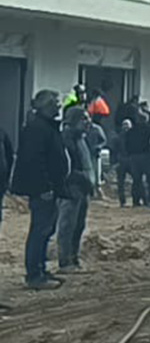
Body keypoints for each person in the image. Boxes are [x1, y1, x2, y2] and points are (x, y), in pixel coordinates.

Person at [12, 90, 69, 290]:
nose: (59, 106)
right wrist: (44, 187)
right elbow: (34, 161)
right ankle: (35, 274)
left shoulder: (45, 127)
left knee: (46, 230)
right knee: (40, 230)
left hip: (50, 188)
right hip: (43, 190)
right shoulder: (38, 129)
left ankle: (40, 269)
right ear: (45, 106)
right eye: (56, 103)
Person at [57, 107, 95, 273]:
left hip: (83, 188)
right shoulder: (66, 138)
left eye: (88, 119)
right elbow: (66, 166)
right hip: (71, 188)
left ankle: (74, 257)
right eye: (83, 119)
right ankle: (65, 261)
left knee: (79, 225)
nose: (88, 123)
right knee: (67, 225)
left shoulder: (82, 139)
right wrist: (78, 178)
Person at [125, 112, 150, 206]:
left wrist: (129, 153)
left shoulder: (131, 131)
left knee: (136, 180)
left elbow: (126, 143)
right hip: (147, 156)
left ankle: (136, 200)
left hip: (134, 157)